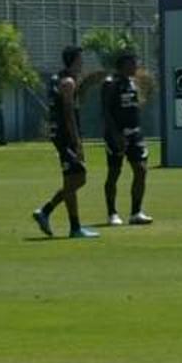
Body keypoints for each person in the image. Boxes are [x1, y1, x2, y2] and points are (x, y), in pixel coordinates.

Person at [33, 46, 99, 237]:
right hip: (66, 137)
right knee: (80, 177)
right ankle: (45, 211)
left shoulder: (57, 78)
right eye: (80, 59)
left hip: (60, 135)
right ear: (73, 60)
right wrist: (76, 140)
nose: (82, 63)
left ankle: (75, 227)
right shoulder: (68, 82)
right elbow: (69, 113)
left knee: (71, 179)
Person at [101, 50, 153, 226]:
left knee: (141, 169)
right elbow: (106, 111)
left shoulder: (132, 83)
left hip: (135, 133)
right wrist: (116, 134)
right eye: (133, 63)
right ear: (123, 65)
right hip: (116, 135)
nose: (136, 67)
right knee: (114, 172)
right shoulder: (110, 83)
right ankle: (112, 213)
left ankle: (136, 212)